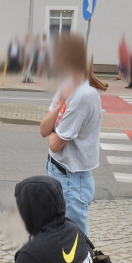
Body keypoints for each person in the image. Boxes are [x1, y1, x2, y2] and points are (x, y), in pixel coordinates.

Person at [39, 34, 103, 236]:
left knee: (73, 242)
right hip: (58, 170)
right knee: (59, 237)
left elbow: (55, 143)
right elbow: (43, 129)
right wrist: (60, 104)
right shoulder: (67, 87)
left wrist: (53, 132)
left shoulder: (83, 95)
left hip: (72, 179)